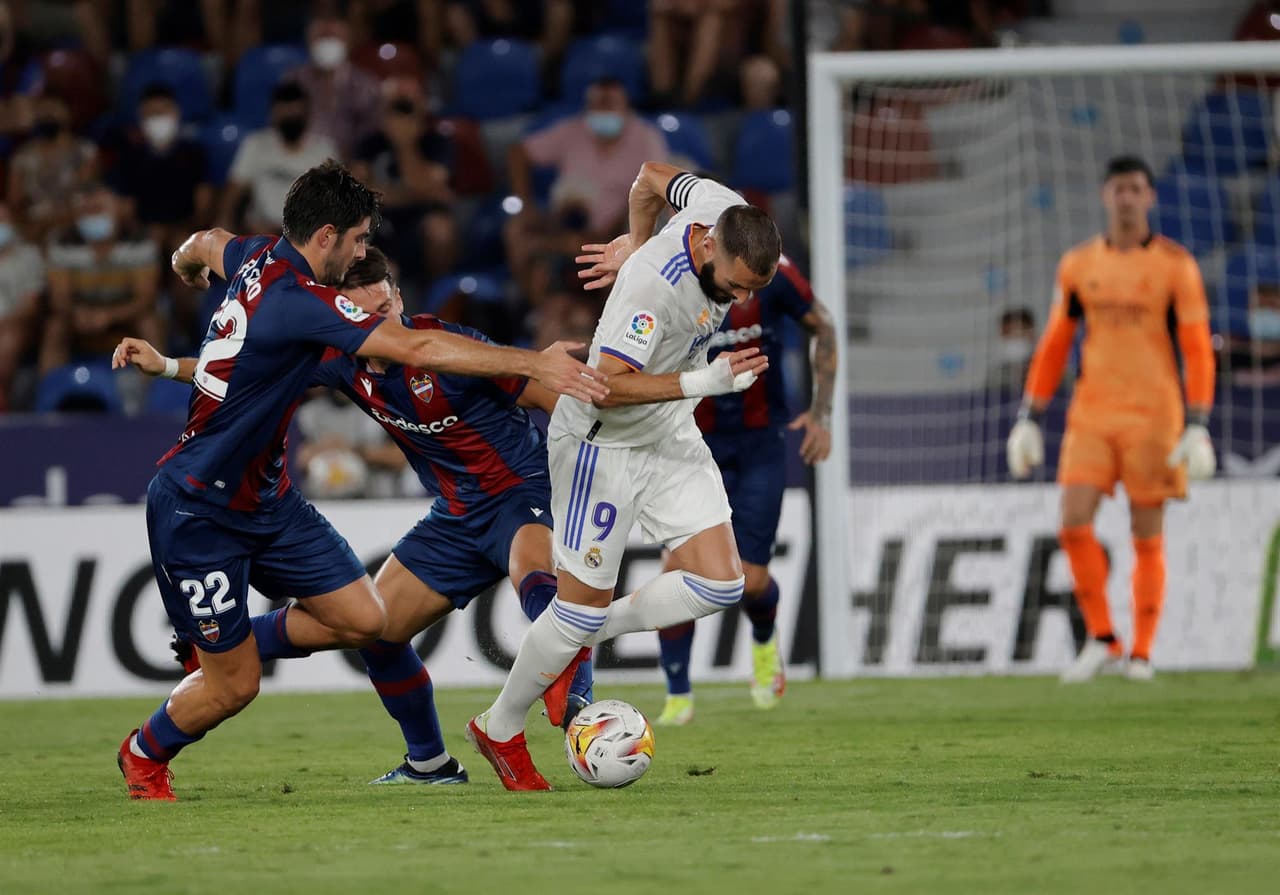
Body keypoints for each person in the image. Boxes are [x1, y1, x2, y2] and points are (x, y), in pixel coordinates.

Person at [110, 161, 607, 801]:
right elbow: (412, 352)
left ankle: (547, 706)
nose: (364, 250)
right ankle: (144, 753)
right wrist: (534, 358)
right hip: (198, 509)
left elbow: (207, 243)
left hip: (279, 500)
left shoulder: (258, 258)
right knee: (233, 686)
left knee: (370, 619)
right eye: (360, 238)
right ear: (326, 237)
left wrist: (182, 265)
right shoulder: (317, 320)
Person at [465, 162, 779, 791]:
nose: (741, 302)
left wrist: (636, 234)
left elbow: (648, 176)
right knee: (574, 613)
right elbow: (603, 389)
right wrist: (704, 382)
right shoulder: (651, 293)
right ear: (709, 246)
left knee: (721, 583)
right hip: (599, 449)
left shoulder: (720, 205)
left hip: (667, 435)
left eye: (752, 291)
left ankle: (580, 633)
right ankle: (499, 725)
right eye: (735, 287)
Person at [1006, 155, 1216, 683]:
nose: (1127, 197)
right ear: (1105, 195)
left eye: (1136, 188)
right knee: (1073, 522)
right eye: (1119, 188)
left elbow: (1196, 348)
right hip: (1092, 412)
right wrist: (1030, 415)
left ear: (1150, 197)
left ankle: (1142, 653)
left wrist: (1197, 421)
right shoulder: (1078, 264)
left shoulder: (1175, 265)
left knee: (1147, 531)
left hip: (1154, 413)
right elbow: (1055, 344)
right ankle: (1103, 639)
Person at [651, 253, 836, 725]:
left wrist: (822, 413)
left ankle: (763, 638)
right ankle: (677, 695)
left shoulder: (769, 267)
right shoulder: (668, 274)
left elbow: (825, 328)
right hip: (691, 441)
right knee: (676, 569)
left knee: (750, 580)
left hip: (760, 443)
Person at [38, 182, 161, 375]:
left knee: (149, 323)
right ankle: (49, 390)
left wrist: (108, 316)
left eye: (98, 210)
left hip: (124, 313)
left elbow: (145, 299)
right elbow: (59, 298)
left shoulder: (140, 244)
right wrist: (79, 313)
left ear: (119, 211)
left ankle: (156, 393)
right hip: (78, 315)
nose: (93, 217)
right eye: (87, 211)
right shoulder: (63, 245)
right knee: (55, 327)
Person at [217, 82, 338, 234]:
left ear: (307, 114)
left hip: (306, 238)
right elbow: (234, 189)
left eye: (296, 113)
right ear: (274, 114)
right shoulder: (256, 144)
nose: (291, 118)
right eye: (285, 113)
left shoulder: (324, 150)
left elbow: (337, 203)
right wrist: (224, 223)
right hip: (260, 234)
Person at [0, 200, 44, 411]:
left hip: (18, 324)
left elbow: (31, 304)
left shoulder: (29, 256)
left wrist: (5, 322)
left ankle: (3, 399)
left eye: (2, 219)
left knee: (9, 338)